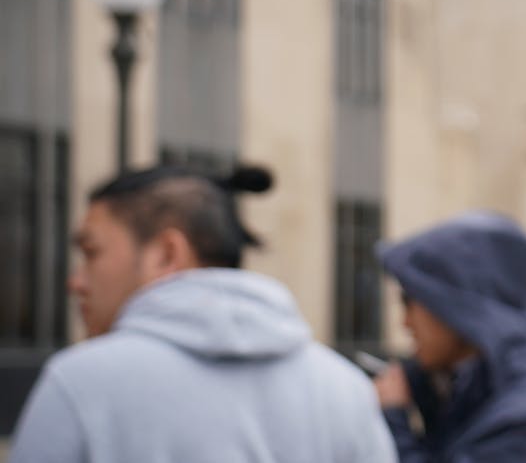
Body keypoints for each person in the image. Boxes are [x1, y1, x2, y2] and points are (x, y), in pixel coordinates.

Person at [9, 164, 396, 463]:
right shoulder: (344, 388)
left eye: (92, 253)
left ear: (166, 253)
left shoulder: (80, 382)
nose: (76, 281)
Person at [373, 211, 526, 462]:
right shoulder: (484, 395)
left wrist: (395, 423)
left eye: (410, 300)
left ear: (455, 307)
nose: (405, 322)